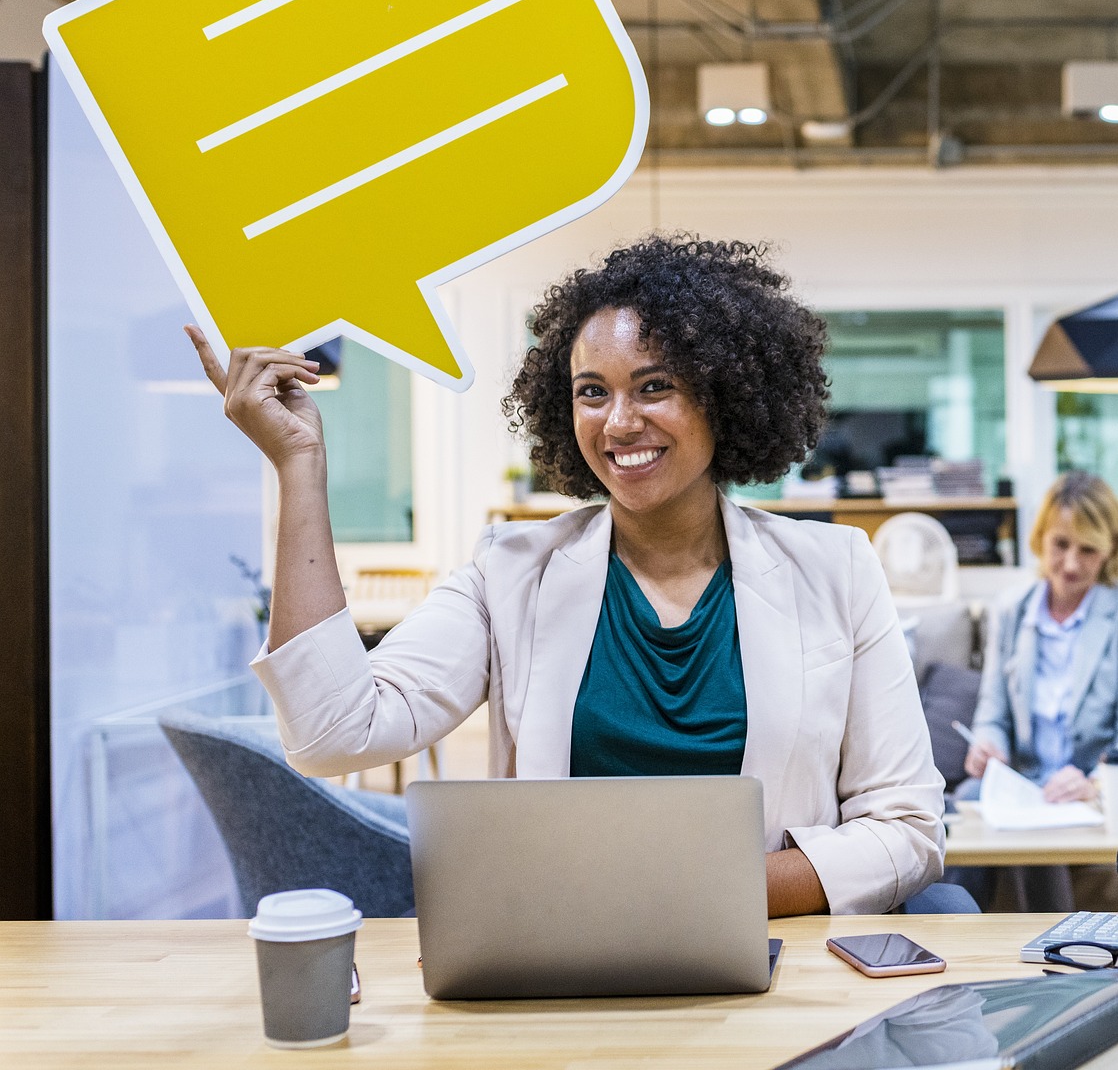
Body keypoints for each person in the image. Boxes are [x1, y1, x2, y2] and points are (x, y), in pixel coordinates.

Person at [187, 234, 945, 917]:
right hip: (568, 961)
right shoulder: (510, 571)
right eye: (592, 392)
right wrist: (299, 465)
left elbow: (908, 830)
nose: (617, 422)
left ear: (728, 397)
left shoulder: (835, 571)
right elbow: (331, 732)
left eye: (655, 387)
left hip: (771, 958)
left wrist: (705, 893)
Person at [957, 471, 1118, 909]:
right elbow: (992, 707)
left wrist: (1094, 784)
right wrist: (988, 741)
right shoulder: (1012, 609)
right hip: (1025, 781)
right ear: (1041, 538)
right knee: (960, 808)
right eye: (1060, 544)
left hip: (1091, 790)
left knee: (1036, 825)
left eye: (1088, 550)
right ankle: (959, 938)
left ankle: (1056, 949)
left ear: (1109, 552)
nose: (1070, 564)